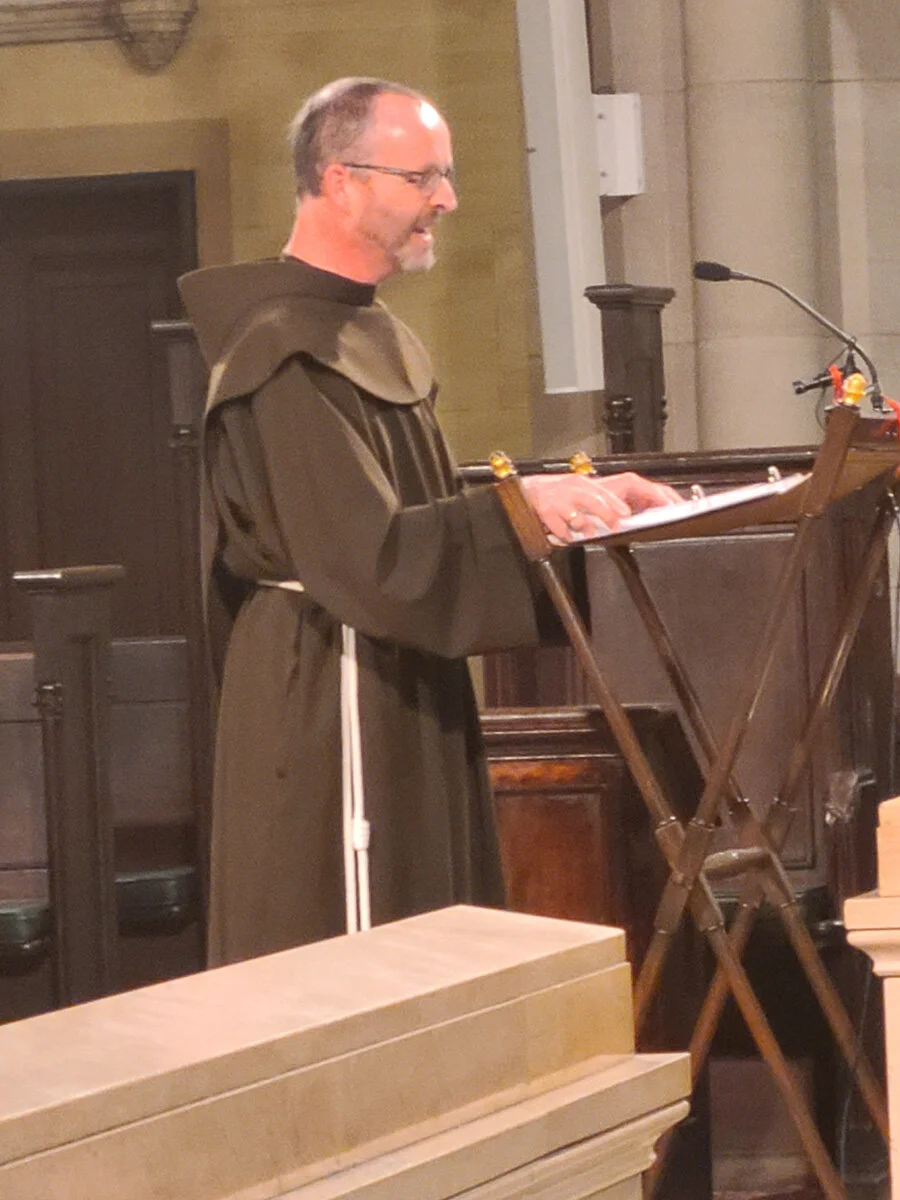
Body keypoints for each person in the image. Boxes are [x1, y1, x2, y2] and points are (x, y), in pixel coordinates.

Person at [179, 77, 677, 967]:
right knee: (348, 971)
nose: (445, 199)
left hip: (396, 673)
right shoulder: (282, 353)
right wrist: (519, 511)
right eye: (422, 178)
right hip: (328, 686)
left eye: (444, 176)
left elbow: (414, 513)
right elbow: (369, 556)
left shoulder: (370, 335)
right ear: (341, 182)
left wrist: (563, 505)